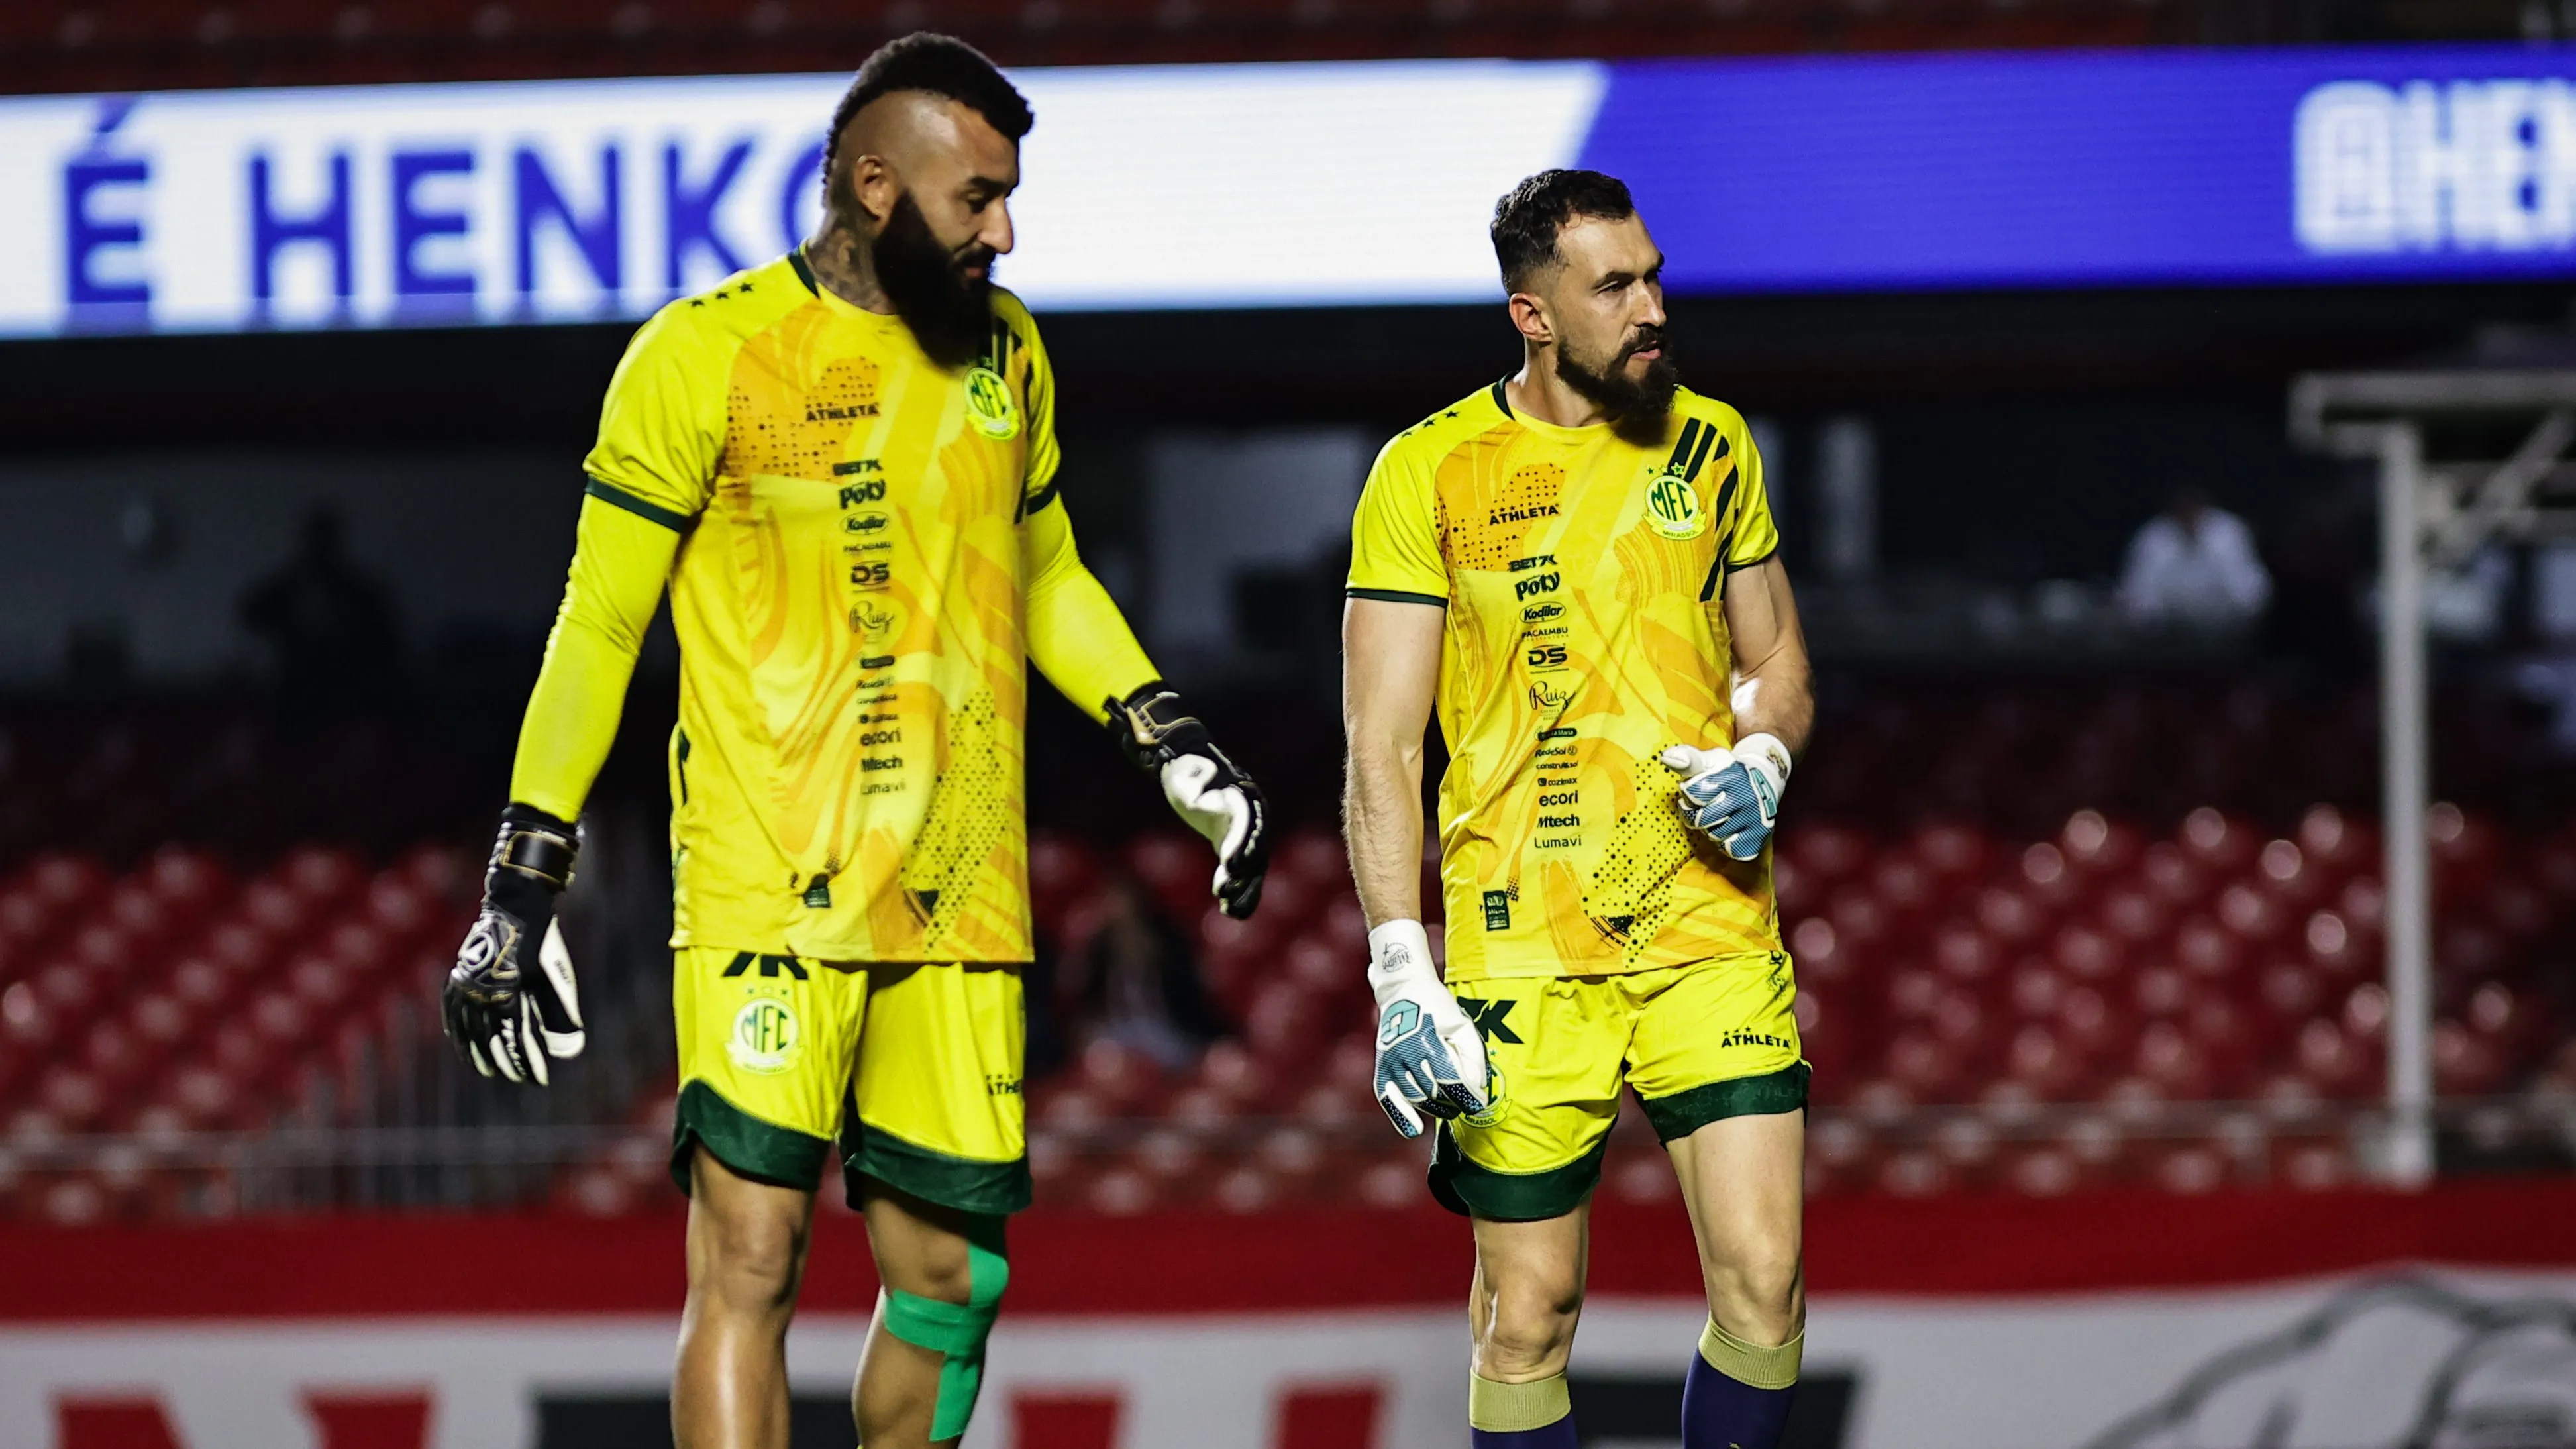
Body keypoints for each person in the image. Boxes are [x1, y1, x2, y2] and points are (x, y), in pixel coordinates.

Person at [437, 36, 1269, 1449]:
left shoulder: (1009, 350)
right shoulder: (702, 354)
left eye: (1009, 199)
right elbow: (598, 626)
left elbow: (1048, 570)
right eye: (978, 198)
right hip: (769, 879)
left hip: (959, 887)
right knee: (749, 1258)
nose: (1005, 233)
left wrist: (1168, 735)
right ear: (876, 187)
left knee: (952, 1281)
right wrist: (524, 883)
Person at [1341, 170, 1816, 1449]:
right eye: (1613, 287)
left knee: (1765, 1282)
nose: (1649, 307)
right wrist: (1399, 969)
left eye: (1652, 276)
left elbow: (1773, 659)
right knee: (1526, 1316)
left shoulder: (1712, 443)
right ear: (1532, 314)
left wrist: (1762, 757)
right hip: (1520, 950)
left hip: (1705, 924)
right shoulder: (1427, 472)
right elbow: (1379, 745)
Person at [1055, 870, 1231, 1071]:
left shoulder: (1167, 940)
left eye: (1120, 901)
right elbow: (1079, 990)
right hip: (1117, 1028)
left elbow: (1187, 994)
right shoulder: (1099, 947)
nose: (1115, 908)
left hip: (1162, 1024)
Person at [238, 505, 401, 720]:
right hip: (297, 687)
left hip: (344, 687)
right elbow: (251, 612)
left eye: (323, 541)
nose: (320, 548)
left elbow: (384, 633)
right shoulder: (291, 584)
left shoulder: (355, 589)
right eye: (316, 541)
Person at [2116, 486, 2271, 628]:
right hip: (2168, 632)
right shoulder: (2153, 538)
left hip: (2228, 628)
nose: (2189, 516)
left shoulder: (2229, 532)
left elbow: (2252, 593)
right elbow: (2137, 593)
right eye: (2183, 510)